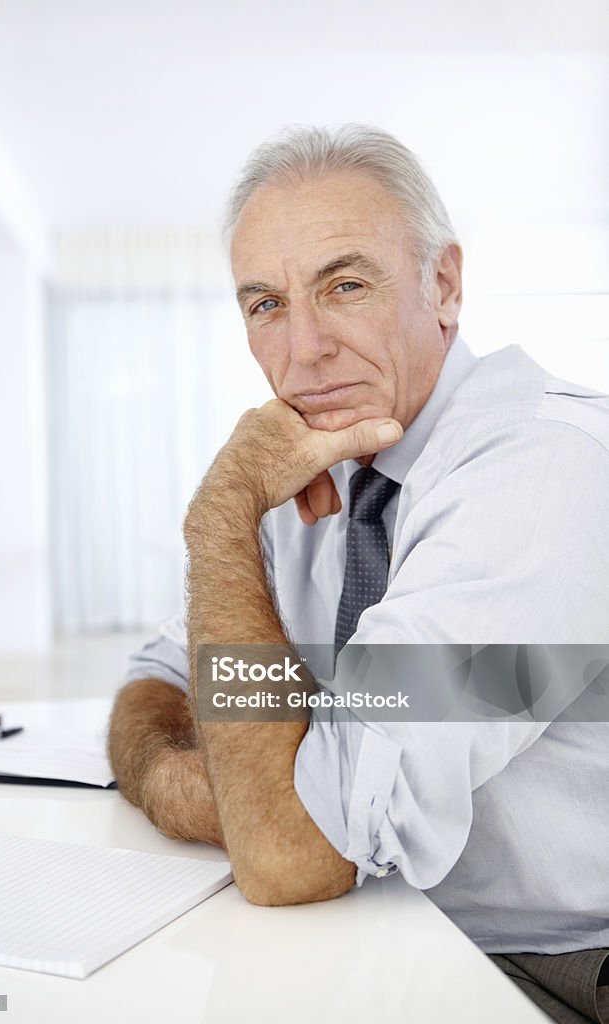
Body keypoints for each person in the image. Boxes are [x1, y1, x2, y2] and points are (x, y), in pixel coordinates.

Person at [108, 126, 609, 1024]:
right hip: (382, 927)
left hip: (553, 957)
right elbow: (162, 679)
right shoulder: (314, 465)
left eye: (344, 286)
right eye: (264, 304)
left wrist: (216, 523)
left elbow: (291, 853)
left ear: (443, 285)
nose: (303, 352)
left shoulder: (540, 475)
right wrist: (188, 782)